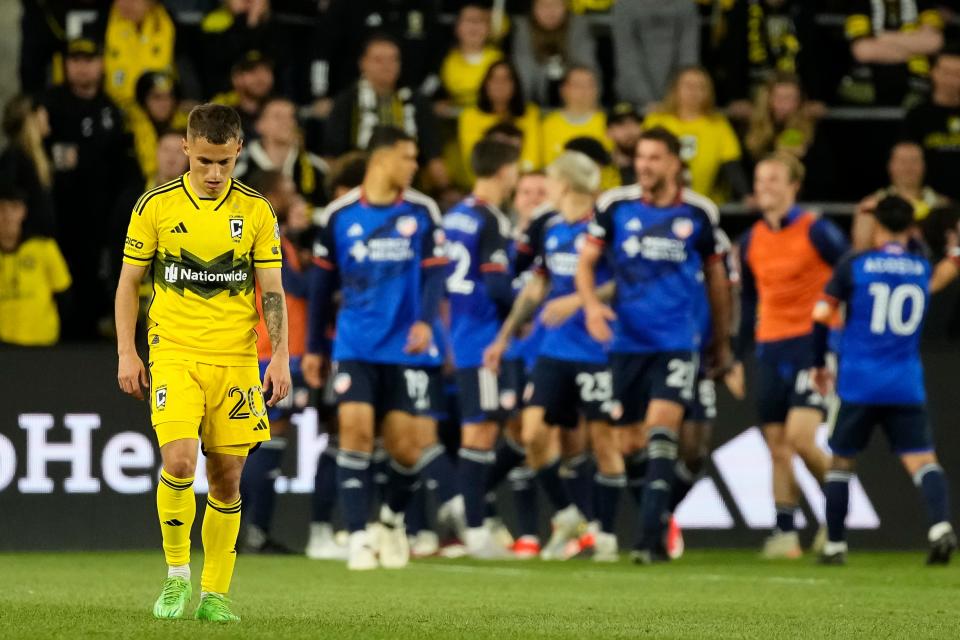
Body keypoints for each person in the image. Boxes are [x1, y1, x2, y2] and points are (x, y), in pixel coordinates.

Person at [115, 103, 291, 622]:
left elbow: (273, 291)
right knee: (178, 462)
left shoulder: (257, 210)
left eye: (224, 163)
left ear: (239, 151)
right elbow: (129, 282)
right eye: (203, 162)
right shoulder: (156, 206)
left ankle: (215, 596)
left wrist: (278, 357)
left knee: (227, 478)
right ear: (186, 150)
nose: (214, 174)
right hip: (174, 351)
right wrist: (128, 350)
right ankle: (176, 578)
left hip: (236, 358)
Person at [576, 127, 733, 564]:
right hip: (626, 341)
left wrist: (721, 340)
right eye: (641, 158)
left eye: (654, 158)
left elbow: (718, 280)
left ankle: (648, 538)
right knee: (628, 444)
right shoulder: (615, 206)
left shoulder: (699, 213)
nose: (644, 166)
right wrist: (590, 307)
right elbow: (586, 264)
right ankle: (659, 520)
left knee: (663, 428)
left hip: (677, 339)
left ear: (674, 163)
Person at [303, 125, 447, 570]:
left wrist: (425, 320)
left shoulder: (423, 211)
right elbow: (321, 286)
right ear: (382, 159)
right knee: (356, 431)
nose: (415, 165)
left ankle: (389, 520)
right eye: (409, 156)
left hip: (405, 346)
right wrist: (313, 348)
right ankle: (359, 537)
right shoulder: (340, 215)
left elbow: (435, 272)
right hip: (355, 344)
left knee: (406, 449)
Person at [487, 150, 625, 562]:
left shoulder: (604, 225)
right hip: (554, 349)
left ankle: (606, 534)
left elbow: (622, 281)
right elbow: (537, 286)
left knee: (602, 440)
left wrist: (579, 301)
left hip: (597, 347)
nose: (545, 186)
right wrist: (503, 337)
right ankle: (567, 514)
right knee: (531, 435)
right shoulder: (550, 226)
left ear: (564, 183)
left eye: (550, 179)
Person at [811, 195, 958, 565]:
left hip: (858, 382)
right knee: (923, 461)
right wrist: (955, 253)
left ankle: (835, 546)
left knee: (841, 463)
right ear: (910, 228)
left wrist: (818, 363)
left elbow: (821, 314)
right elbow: (944, 274)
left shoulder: (855, 265)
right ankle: (940, 528)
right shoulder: (921, 266)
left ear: (876, 226)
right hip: (905, 382)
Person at [736, 151, 848, 559]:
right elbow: (748, 302)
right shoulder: (750, 240)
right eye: (760, 179)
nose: (764, 186)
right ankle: (785, 534)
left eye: (774, 179)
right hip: (770, 347)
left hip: (813, 347)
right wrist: (736, 355)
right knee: (778, 446)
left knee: (802, 440)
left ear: (793, 186)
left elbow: (849, 272)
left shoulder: (817, 230)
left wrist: (842, 333)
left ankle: (837, 514)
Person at [443, 139, 519, 558]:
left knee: (485, 428)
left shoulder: (455, 216)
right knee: (481, 433)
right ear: (505, 171)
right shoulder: (492, 220)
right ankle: (474, 528)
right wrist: (524, 307)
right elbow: (496, 283)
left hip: (460, 332)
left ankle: (467, 510)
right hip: (485, 337)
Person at [43, 37, 138, 341]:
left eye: (89, 61)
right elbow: (46, 155)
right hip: (61, 209)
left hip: (102, 213)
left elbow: (118, 162)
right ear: (66, 65)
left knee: (97, 276)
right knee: (64, 276)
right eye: (75, 61)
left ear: (101, 64)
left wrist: (76, 156)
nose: (82, 68)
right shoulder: (50, 104)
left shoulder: (110, 108)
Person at [238, 170, 310, 555]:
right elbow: (294, 287)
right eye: (285, 189)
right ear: (268, 194)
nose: (292, 193)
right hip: (273, 352)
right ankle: (250, 529)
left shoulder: (268, 234)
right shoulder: (266, 235)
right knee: (265, 440)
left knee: (267, 441)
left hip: (276, 350)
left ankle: (248, 529)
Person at [323, 35, 448, 191]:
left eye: (393, 59)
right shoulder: (347, 101)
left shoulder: (416, 100)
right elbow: (332, 155)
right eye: (378, 60)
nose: (386, 66)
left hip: (410, 184)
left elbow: (433, 154)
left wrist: (446, 189)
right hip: (358, 185)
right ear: (362, 63)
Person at [644, 67, 748, 204]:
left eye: (700, 86)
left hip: (705, 203)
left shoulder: (718, 124)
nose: (693, 92)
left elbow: (732, 166)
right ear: (675, 90)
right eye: (688, 85)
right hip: (659, 202)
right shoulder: (656, 120)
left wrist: (746, 195)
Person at [0, 186, 71, 347]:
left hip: (41, 343)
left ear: (23, 211)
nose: (7, 216)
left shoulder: (44, 248)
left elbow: (64, 296)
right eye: (1, 208)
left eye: (14, 208)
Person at [842, 0, 944, 106]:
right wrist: (915, 44)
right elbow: (863, 50)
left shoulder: (922, 3)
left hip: (917, 88)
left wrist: (881, 38)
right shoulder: (860, 3)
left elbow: (934, 42)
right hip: (866, 87)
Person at [853, 141, 949, 251]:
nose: (908, 167)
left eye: (914, 161)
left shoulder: (943, 205)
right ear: (890, 166)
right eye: (902, 161)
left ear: (924, 165)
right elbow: (860, 251)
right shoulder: (871, 205)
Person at [235, 97, 330, 209]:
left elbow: (329, 212)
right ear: (260, 125)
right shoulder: (239, 169)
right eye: (278, 117)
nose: (286, 122)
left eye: (291, 117)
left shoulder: (316, 168)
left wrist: (308, 217)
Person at [458, 61, 543, 178]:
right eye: (494, 79)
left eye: (506, 79)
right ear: (485, 83)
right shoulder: (470, 116)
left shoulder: (530, 113)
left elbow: (532, 160)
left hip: (521, 184)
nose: (499, 84)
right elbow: (474, 160)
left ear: (515, 84)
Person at [610, 0, 699, 109]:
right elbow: (627, 57)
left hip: (679, 99)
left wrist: (680, 94)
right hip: (634, 101)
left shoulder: (686, 4)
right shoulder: (624, 5)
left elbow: (688, 56)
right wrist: (647, 100)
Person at [511, 0, 598, 108]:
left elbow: (588, 71)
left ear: (566, 6)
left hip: (573, 104)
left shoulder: (578, 26)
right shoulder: (523, 28)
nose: (550, 11)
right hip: (534, 101)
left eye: (556, 4)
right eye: (543, 5)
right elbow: (523, 75)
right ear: (533, 8)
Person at [902, 46, 960, 200]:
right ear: (932, 72)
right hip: (929, 203)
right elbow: (905, 161)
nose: (952, 80)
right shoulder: (917, 115)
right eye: (947, 72)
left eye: (958, 74)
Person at [102, 0, 176, 111]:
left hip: (160, 114)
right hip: (115, 112)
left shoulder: (172, 26)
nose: (125, 3)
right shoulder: (101, 23)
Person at [0, 94, 55, 238]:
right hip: (25, 248)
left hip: (39, 243)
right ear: (32, 117)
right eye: (43, 111)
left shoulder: (33, 157)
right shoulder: (14, 157)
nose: (47, 115)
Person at [199, 0, 277, 98]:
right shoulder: (213, 23)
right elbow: (220, 59)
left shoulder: (274, 27)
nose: (248, 1)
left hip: (269, 98)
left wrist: (255, 21)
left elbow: (278, 64)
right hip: (223, 95)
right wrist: (246, 21)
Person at [541, 66, 611, 167]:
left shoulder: (610, 123)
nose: (584, 90)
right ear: (563, 89)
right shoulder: (547, 125)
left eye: (590, 85)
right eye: (578, 85)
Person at [438, 3, 503, 111]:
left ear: (489, 28)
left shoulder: (499, 60)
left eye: (480, 21)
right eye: (468, 20)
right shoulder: (444, 60)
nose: (474, 26)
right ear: (457, 27)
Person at [743, 73, 819, 165]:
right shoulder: (753, 126)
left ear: (799, 101)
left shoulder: (810, 131)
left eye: (790, 98)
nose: (784, 105)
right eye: (778, 97)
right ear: (768, 99)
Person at [129, 71, 188, 181]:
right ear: (144, 101)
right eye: (156, 97)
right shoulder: (128, 133)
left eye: (169, 97)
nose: (163, 103)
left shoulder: (189, 132)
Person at [211, 51, 275, 141]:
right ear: (235, 78)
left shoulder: (280, 110)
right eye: (253, 72)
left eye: (266, 70)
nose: (261, 77)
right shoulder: (221, 111)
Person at [606, 103, 642, 186]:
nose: (629, 130)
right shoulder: (602, 165)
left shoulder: (650, 164)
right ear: (608, 132)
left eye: (634, 123)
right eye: (621, 125)